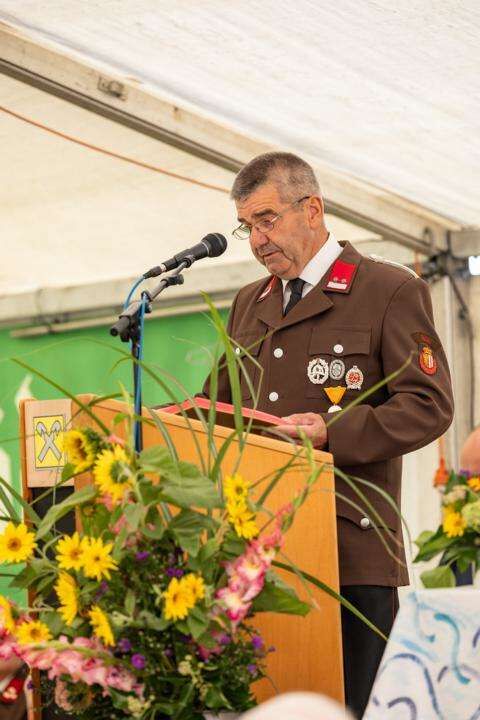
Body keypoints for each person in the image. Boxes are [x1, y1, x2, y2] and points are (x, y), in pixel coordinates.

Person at [202, 152, 454, 718]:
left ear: (312, 209)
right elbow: (217, 408)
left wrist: (330, 432)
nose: (257, 240)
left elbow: (429, 405)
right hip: (258, 555)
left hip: (348, 551)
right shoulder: (250, 302)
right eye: (247, 226)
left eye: (267, 219)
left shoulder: (387, 289)